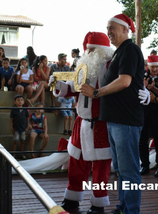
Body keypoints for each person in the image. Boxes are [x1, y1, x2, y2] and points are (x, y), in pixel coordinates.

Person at [81, 14, 145, 214]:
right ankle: (124, 206)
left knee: (129, 170)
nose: (109, 31)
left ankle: (131, 210)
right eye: (107, 28)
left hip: (125, 120)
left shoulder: (130, 49)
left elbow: (125, 81)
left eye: (112, 28)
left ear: (125, 30)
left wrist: (97, 92)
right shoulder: (119, 52)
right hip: (116, 120)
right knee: (121, 169)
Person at [53, 32, 114, 214]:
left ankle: (98, 204)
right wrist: (59, 85)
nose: (90, 52)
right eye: (88, 49)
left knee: (101, 168)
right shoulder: (83, 66)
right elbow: (73, 88)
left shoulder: (111, 67)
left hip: (101, 123)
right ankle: (72, 200)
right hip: (81, 122)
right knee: (76, 163)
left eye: (93, 49)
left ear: (103, 51)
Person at [139, 55, 158, 177]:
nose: (154, 69)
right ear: (148, 66)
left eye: (156, 66)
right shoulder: (142, 77)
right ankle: (144, 165)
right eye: (152, 66)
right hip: (144, 113)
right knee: (142, 140)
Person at [9, 95, 29, 159]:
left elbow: (28, 118)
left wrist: (27, 127)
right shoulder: (14, 110)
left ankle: (21, 154)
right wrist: (11, 127)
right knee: (15, 141)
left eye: (21, 100)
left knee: (22, 141)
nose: (20, 101)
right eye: (18, 100)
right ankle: (13, 154)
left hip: (23, 128)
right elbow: (10, 119)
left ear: (23, 102)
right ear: (15, 102)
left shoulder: (25, 110)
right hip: (16, 128)